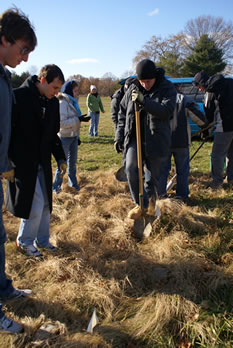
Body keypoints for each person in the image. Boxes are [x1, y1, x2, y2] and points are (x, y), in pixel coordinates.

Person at [0, 7, 37, 333]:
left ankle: (3, 289)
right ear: (3, 39)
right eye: (23, 49)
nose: (24, 59)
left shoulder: (2, 76)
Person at [6, 64, 67, 259]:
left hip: (42, 161)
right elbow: (6, 131)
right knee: (35, 202)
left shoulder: (52, 103)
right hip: (22, 162)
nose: (57, 93)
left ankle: (42, 240)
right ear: (42, 81)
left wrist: (60, 157)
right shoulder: (18, 97)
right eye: (54, 88)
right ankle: (24, 241)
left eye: (59, 89)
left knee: (46, 203)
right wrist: (6, 162)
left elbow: (52, 134)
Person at [114, 59, 177, 219]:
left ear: (155, 77)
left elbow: (166, 110)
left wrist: (144, 101)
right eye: (142, 81)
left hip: (156, 139)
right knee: (130, 168)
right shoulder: (133, 87)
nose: (145, 85)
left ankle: (150, 208)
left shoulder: (166, 87)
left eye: (148, 82)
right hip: (134, 137)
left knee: (151, 178)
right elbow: (122, 113)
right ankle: (138, 204)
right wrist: (119, 137)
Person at [158, 88, 208, 201]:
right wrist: (205, 127)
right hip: (181, 141)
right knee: (182, 171)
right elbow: (198, 117)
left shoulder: (159, 99)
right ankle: (182, 197)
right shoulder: (184, 99)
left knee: (162, 171)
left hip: (163, 141)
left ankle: (160, 197)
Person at [193, 71, 233, 189]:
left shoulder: (210, 91)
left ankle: (216, 183)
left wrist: (206, 130)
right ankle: (231, 179)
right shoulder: (229, 82)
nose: (200, 89)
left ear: (202, 83)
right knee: (231, 153)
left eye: (199, 86)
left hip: (225, 126)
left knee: (217, 154)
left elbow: (209, 114)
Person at [53, 80, 90, 194]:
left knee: (72, 164)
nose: (77, 93)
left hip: (73, 137)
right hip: (64, 137)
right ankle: (56, 187)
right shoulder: (62, 102)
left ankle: (73, 184)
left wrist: (77, 136)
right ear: (69, 91)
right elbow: (61, 123)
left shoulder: (73, 102)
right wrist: (78, 119)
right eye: (75, 91)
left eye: (77, 90)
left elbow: (74, 121)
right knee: (62, 164)